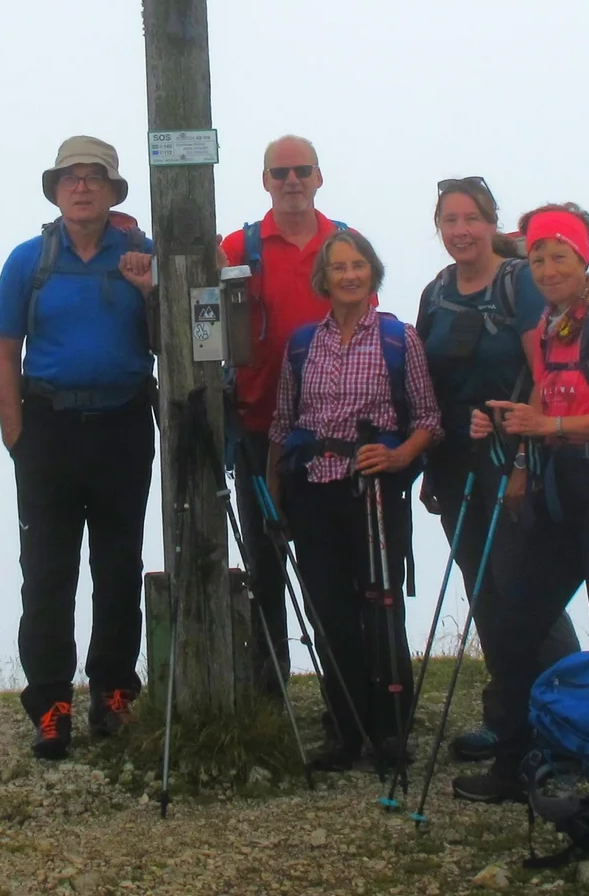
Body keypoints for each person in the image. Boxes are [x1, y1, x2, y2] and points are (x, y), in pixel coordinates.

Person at [452, 203, 589, 805]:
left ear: (583, 256)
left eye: (559, 255)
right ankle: (514, 766)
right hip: (563, 494)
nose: (546, 267)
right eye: (538, 256)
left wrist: (547, 430)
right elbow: (544, 400)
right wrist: (516, 449)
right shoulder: (552, 324)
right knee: (515, 626)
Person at [0, 137, 157, 760]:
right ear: (56, 189)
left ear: (114, 191)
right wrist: (17, 437)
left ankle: (113, 693)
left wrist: (147, 291)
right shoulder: (28, 260)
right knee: (48, 573)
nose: (81, 187)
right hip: (49, 429)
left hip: (123, 424)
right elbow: (6, 351)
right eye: (70, 177)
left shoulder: (141, 254)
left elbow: (176, 339)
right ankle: (51, 704)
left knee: (119, 567)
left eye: (94, 177)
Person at [415, 179, 581, 765]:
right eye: (449, 220)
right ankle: (510, 719)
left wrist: (519, 461)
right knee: (482, 586)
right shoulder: (436, 293)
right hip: (457, 458)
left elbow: (546, 370)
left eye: (470, 218)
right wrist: (431, 465)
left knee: (525, 589)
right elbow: (427, 383)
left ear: (491, 224)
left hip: (513, 453)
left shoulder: (518, 286)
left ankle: (570, 721)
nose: (460, 230)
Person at [267, 229, 440, 771]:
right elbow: (282, 423)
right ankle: (344, 730)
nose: (349, 275)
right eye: (338, 267)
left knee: (382, 607)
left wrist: (396, 458)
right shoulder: (302, 344)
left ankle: (390, 732)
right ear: (325, 278)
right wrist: (276, 502)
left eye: (358, 265)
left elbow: (430, 419)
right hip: (313, 489)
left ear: (373, 273)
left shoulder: (399, 339)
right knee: (330, 615)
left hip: (375, 489)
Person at [218, 135, 343, 692]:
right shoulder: (236, 248)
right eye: (281, 173)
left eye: (302, 171)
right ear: (265, 181)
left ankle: (345, 684)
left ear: (319, 178)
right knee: (265, 560)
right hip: (254, 423)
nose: (292, 181)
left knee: (329, 563)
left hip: (326, 432)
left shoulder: (344, 247)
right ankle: (270, 688)